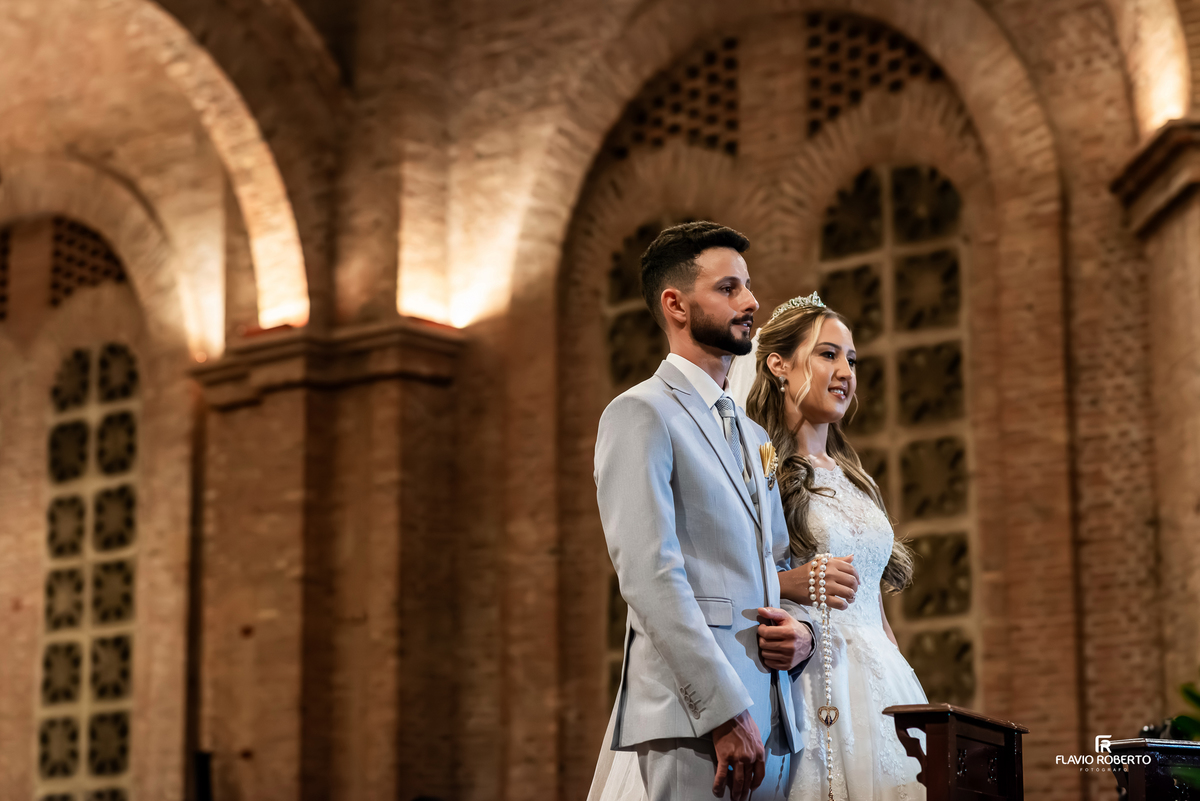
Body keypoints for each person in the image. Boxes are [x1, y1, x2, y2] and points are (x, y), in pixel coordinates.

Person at [590, 221, 817, 801]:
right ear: (676, 305)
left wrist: (803, 635)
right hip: (697, 722)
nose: (752, 302)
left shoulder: (750, 432)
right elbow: (649, 574)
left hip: (774, 716)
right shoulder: (639, 413)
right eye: (729, 288)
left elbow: (775, 563)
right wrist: (722, 711)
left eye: (748, 286)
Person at [729, 293, 927, 801]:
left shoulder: (857, 480)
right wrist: (790, 582)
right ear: (778, 365)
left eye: (852, 360)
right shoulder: (762, 468)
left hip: (881, 681)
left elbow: (875, 609)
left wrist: (901, 675)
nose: (846, 372)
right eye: (829, 354)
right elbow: (730, 576)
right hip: (812, 677)